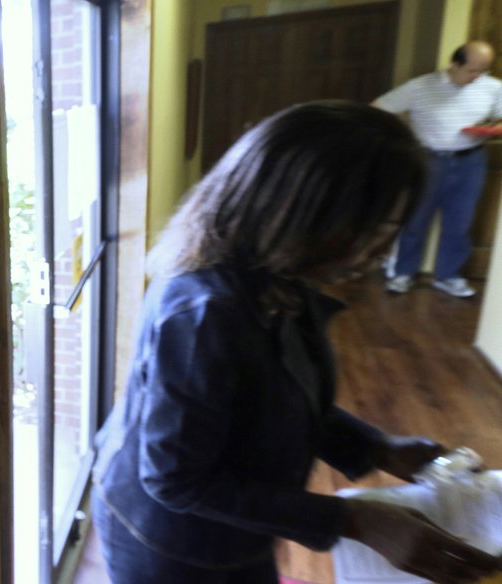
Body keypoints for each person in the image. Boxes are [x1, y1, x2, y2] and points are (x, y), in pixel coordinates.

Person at [91, 101, 502, 584]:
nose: (382, 253)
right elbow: (176, 479)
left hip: (232, 531)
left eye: (392, 232)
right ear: (298, 210)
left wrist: (379, 448)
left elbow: (270, 400)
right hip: (170, 544)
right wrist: (355, 520)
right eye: (374, 233)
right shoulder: (207, 314)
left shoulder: (282, 279)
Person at [376, 41, 502, 298]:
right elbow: (378, 108)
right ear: (455, 64)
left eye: (484, 70)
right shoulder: (420, 86)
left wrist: (491, 128)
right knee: (416, 219)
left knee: (460, 222)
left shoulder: (493, 88)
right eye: (472, 70)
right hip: (427, 159)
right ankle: (403, 274)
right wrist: (403, 135)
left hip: (471, 161)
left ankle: (449, 276)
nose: (478, 76)